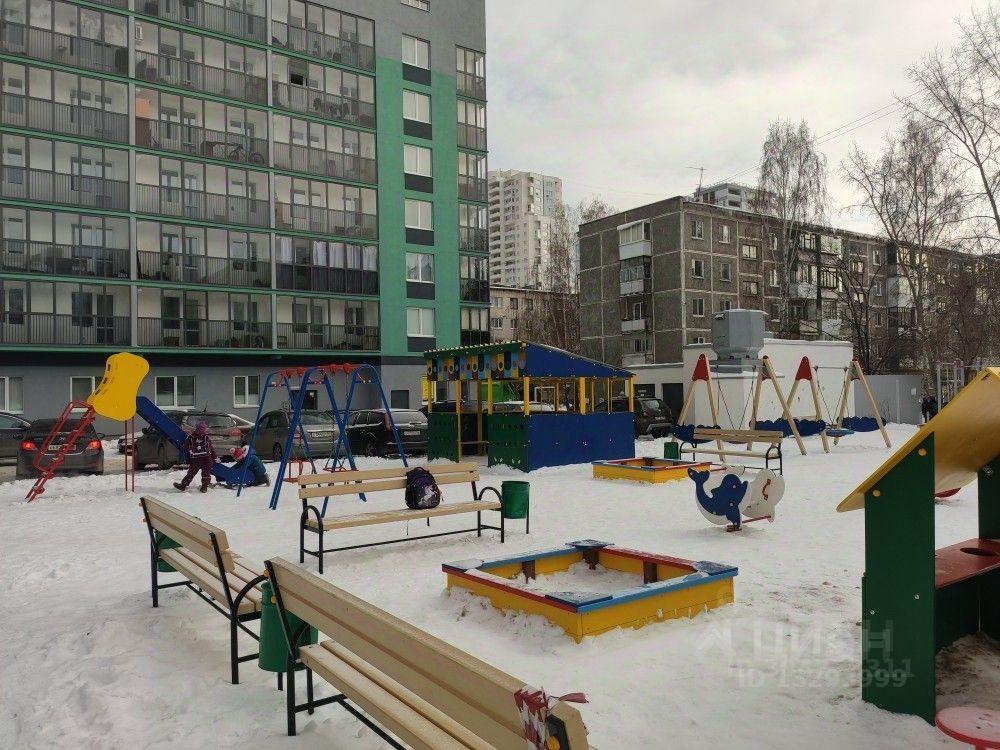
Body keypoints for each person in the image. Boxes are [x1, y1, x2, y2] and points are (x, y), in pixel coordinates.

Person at [173, 420, 216, 493]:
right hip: (207, 458)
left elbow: (185, 447)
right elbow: (211, 448)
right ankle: (204, 487)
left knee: (191, 473)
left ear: (196, 428)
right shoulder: (206, 437)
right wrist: (215, 457)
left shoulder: (191, 436)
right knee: (206, 473)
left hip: (196, 459)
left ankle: (183, 486)